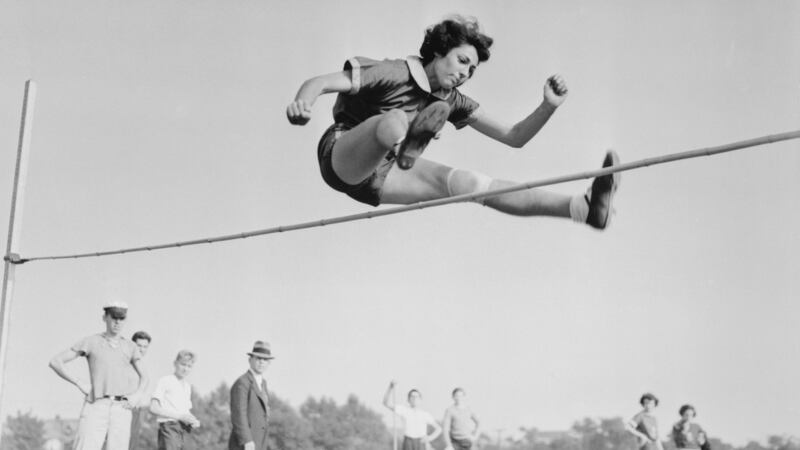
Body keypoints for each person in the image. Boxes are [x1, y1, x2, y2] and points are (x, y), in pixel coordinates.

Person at [287, 16, 620, 230]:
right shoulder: (393, 73)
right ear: (439, 52)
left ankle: (581, 208)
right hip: (342, 154)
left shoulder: (452, 100)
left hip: (382, 179)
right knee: (390, 120)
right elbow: (322, 81)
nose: (465, 73)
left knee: (471, 183)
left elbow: (515, 137)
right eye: (462, 61)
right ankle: (407, 138)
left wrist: (548, 106)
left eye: (471, 70)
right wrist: (303, 101)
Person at [49, 301, 148, 450]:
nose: (117, 322)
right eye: (113, 317)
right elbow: (56, 362)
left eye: (121, 318)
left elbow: (145, 377)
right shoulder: (91, 341)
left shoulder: (130, 346)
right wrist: (79, 383)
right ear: (105, 317)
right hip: (96, 404)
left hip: (121, 408)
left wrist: (136, 396)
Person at [150, 350, 200, 450]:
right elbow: (153, 408)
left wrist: (193, 420)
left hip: (184, 429)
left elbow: (185, 411)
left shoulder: (187, 386)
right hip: (169, 427)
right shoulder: (165, 381)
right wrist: (179, 416)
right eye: (183, 365)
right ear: (175, 363)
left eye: (189, 366)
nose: (185, 369)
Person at [229, 341, 275, 450]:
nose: (262, 362)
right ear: (250, 360)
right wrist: (247, 440)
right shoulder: (242, 383)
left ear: (269, 363)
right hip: (245, 445)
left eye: (265, 360)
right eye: (258, 358)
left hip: (260, 443)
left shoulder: (263, 383)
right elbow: (239, 414)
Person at [383, 381, 442, 450]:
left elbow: (439, 429)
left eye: (417, 397)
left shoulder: (425, 414)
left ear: (420, 399)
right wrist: (390, 388)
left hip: (421, 442)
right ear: (408, 400)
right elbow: (386, 403)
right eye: (412, 396)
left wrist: (429, 438)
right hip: (408, 441)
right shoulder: (403, 410)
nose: (414, 398)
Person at [128, 331, 152, 450]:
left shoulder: (142, 366)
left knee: (132, 445)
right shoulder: (125, 363)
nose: (141, 349)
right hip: (122, 408)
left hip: (136, 411)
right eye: (139, 345)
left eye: (145, 346)